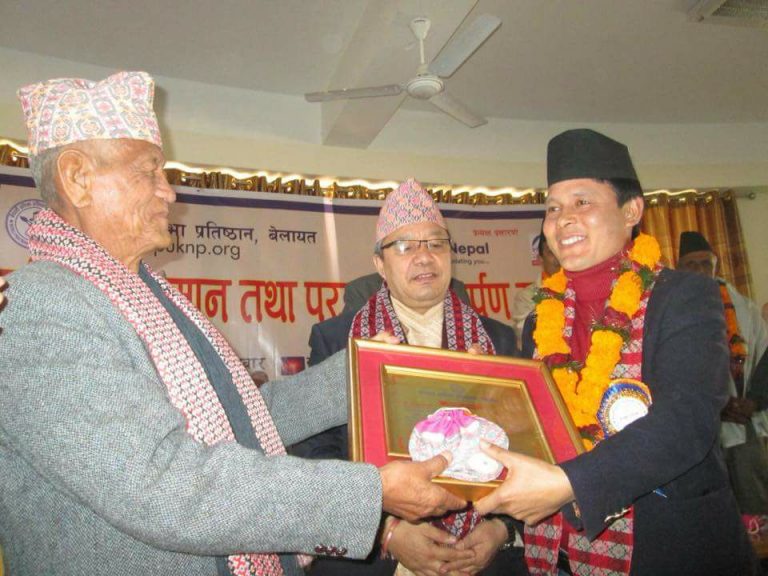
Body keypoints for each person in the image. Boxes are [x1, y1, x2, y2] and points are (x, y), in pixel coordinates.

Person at [0, 71, 465, 576]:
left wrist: (367, 367)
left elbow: (243, 419)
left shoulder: (147, 293)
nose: (168, 192)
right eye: (149, 172)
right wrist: (370, 493)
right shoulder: (44, 304)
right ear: (77, 178)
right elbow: (163, 485)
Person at [474, 128, 759, 575]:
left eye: (582, 202)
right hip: (558, 552)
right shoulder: (539, 321)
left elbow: (686, 421)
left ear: (631, 211)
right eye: (553, 208)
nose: (563, 219)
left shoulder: (683, 296)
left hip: (670, 550)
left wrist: (570, 482)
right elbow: (539, 427)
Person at [292, 178, 525, 576]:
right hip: (374, 557)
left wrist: (501, 529)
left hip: (480, 553)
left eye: (436, 244)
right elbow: (316, 453)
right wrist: (387, 530)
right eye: (404, 246)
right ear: (379, 264)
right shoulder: (337, 338)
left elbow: (525, 447)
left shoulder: (497, 340)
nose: (424, 257)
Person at [677, 230, 768, 516]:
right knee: (716, 512)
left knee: (757, 508)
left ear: (715, 265)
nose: (700, 271)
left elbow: (765, 358)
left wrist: (754, 401)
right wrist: (718, 403)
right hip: (701, 432)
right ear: (678, 268)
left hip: (744, 423)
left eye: (706, 263)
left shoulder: (744, 307)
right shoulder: (673, 310)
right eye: (692, 264)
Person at [510, 231, 560, 350]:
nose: (558, 258)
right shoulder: (526, 297)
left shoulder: (581, 289)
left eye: (560, 251)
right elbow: (526, 335)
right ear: (540, 258)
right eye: (551, 252)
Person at [342, 272, 470, 314]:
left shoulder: (454, 289)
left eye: (435, 245)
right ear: (381, 262)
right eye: (406, 248)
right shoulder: (362, 291)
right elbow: (350, 351)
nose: (423, 257)